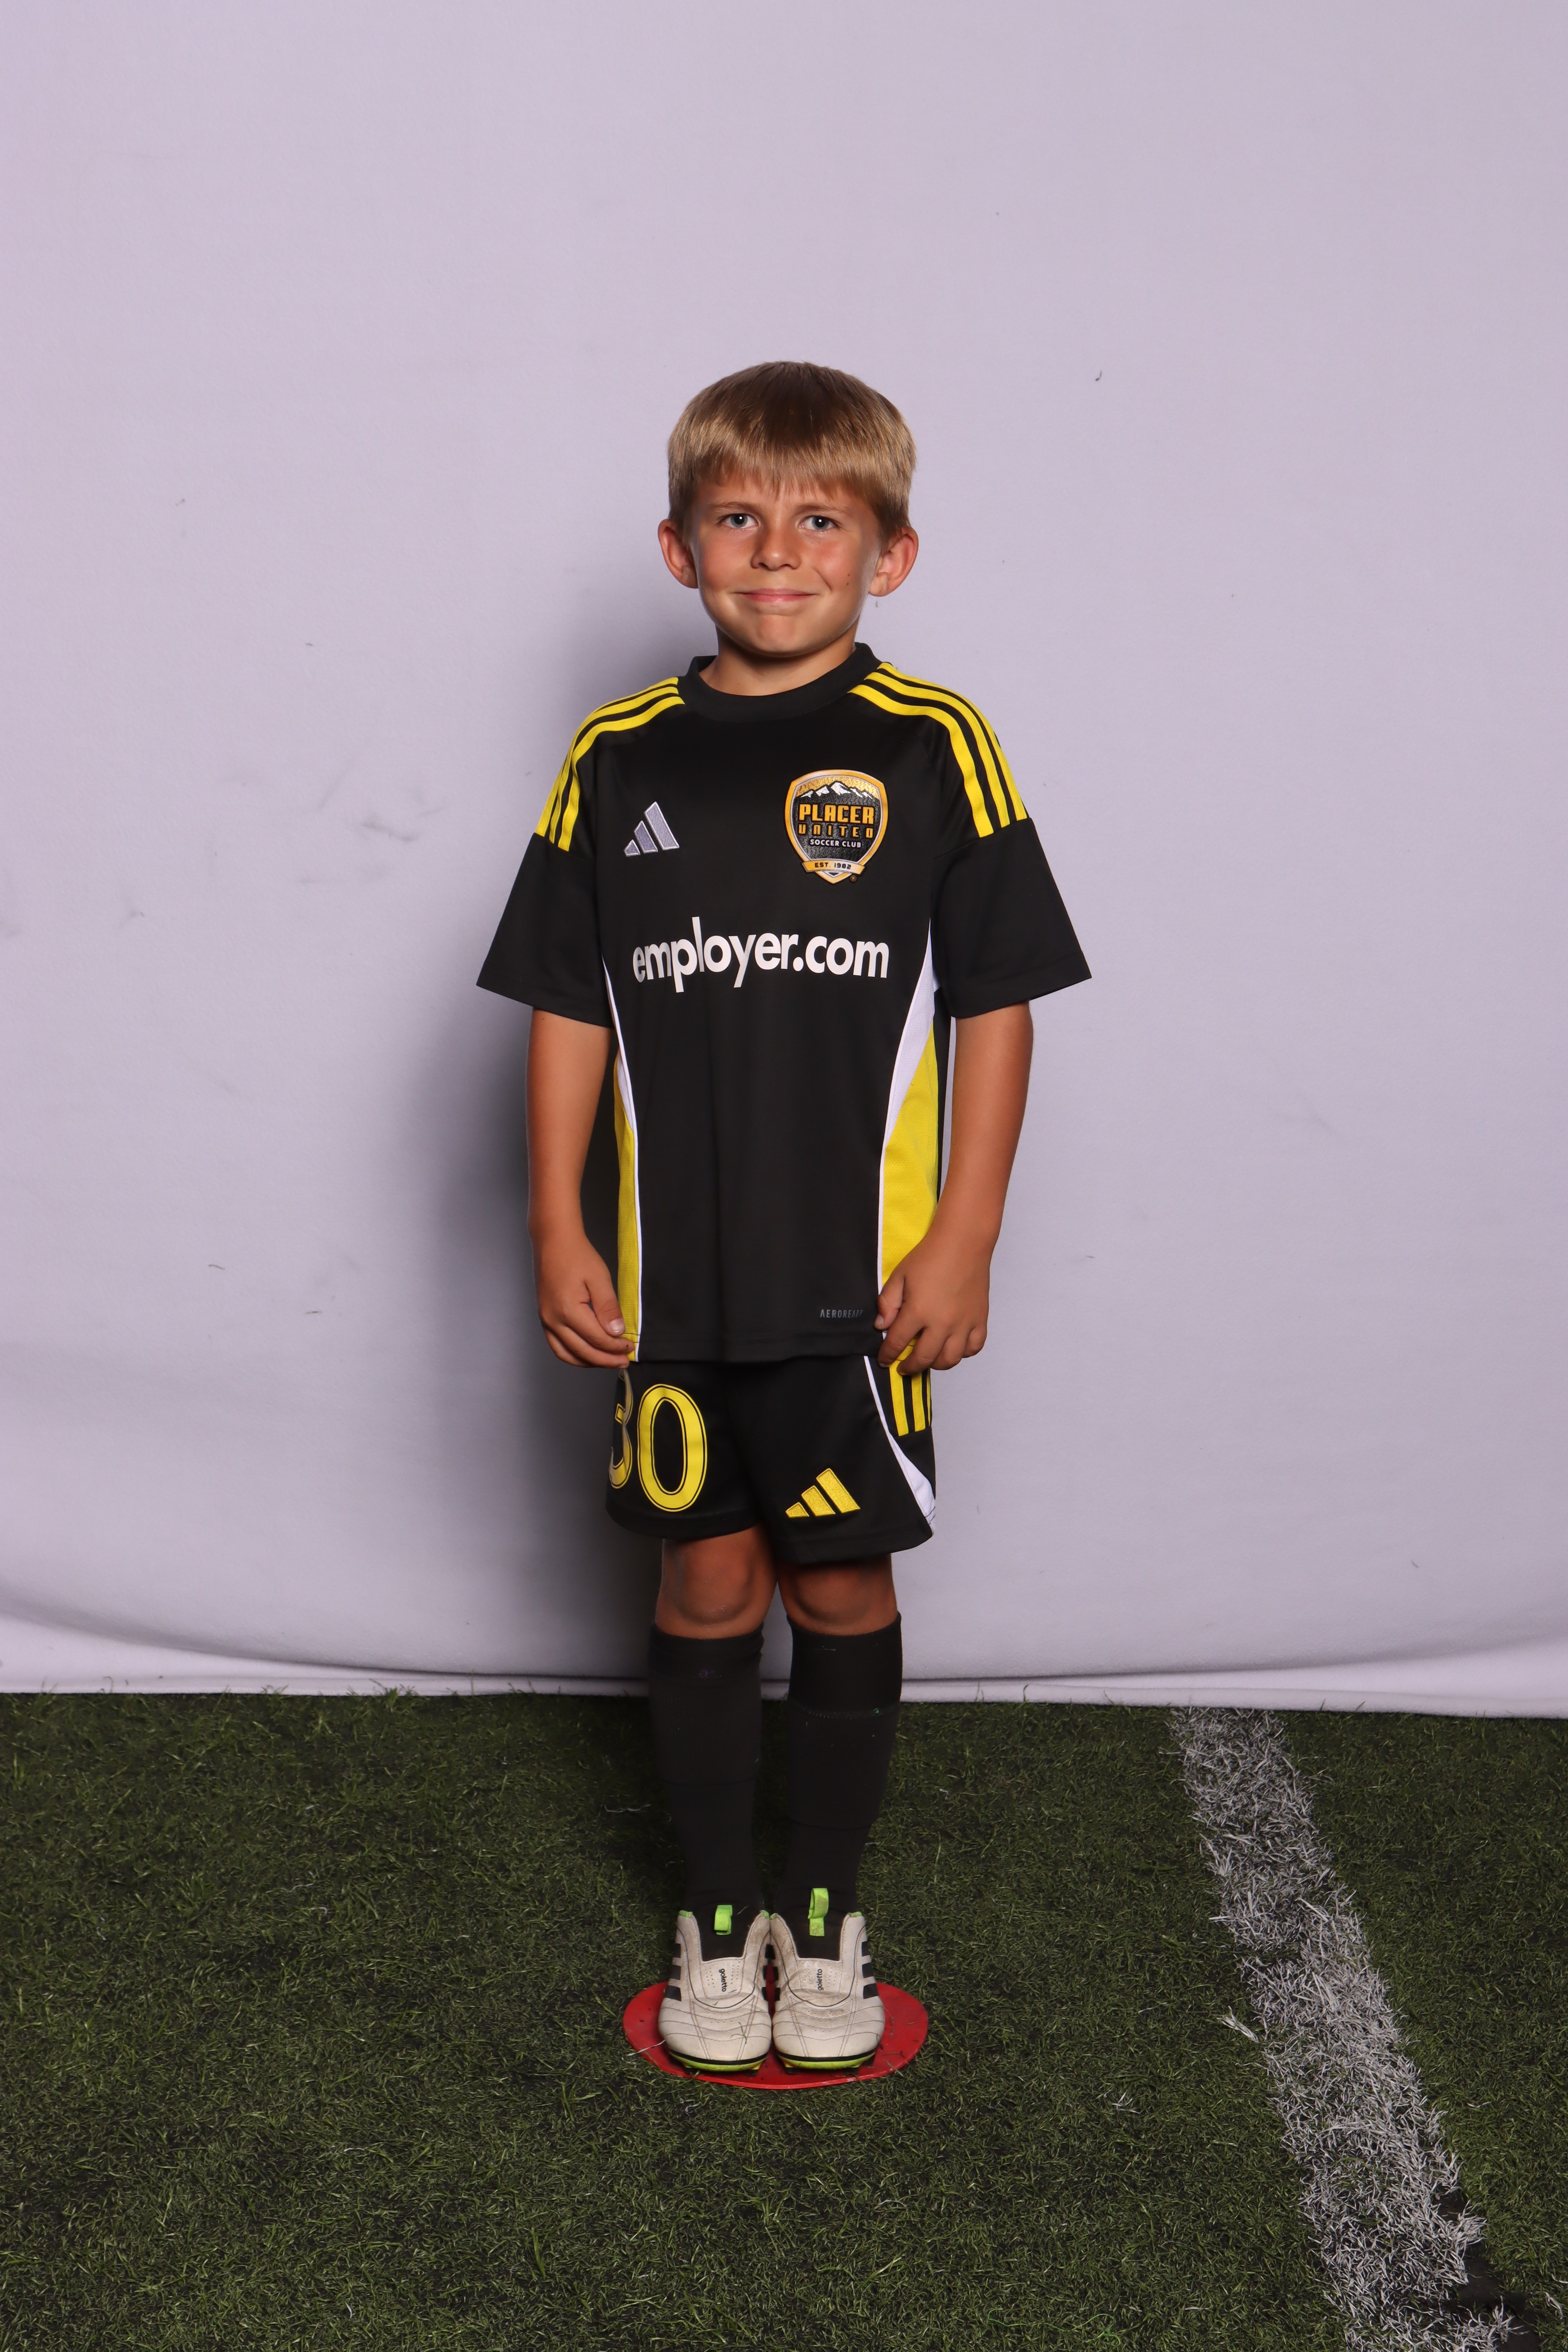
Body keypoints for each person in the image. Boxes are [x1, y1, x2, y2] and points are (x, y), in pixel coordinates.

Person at [478, 361, 1089, 2072]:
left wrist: (964, 1234)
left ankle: (821, 1922)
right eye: (737, 517)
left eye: (822, 518)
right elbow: (566, 1006)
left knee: (836, 1583)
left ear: (891, 554)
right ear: (679, 549)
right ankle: (715, 1913)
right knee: (704, 1579)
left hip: (855, 1282)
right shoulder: (616, 758)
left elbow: (998, 1003)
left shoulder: (936, 745)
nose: (777, 550)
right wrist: (556, 1224)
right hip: (671, 1283)